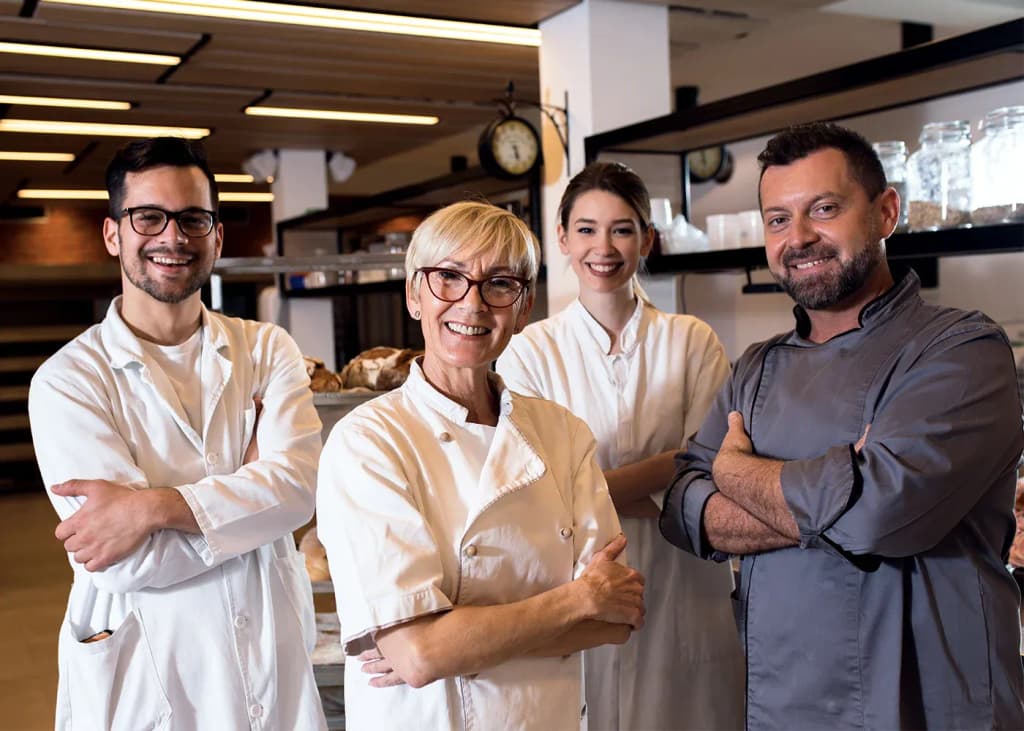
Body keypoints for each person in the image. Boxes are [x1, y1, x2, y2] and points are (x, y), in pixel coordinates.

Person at [660, 122, 1024, 729]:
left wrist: (736, 470)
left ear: (886, 212)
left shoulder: (962, 348)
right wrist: (832, 488)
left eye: (823, 209)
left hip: (932, 701)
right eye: (778, 219)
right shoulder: (756, 366)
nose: (798, 237)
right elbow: (680, 506)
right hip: (783, 702)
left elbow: (879, 515)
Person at [28, 137, 326, 730]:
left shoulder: (265, 348)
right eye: (148, 217)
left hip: (275, 663)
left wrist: (154, 507)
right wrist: (249, 492)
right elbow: (122, 564)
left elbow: (299, 489)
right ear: (113, 233)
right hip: (150, 680)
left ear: (216, 234)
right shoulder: (67, 380)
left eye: (193, 218)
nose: (173, 237)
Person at [316, 201, 646, 730]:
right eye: (448, 277)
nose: (471, 305)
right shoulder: (368, 442)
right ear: (413, 295)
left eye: (498, 284)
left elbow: (615, 620)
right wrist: (579, 598)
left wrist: (456, 639)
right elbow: (421, 656)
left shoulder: (562, 433)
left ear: (523, 306)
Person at [497, 161, 744, 730]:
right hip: (575, 586)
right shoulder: (530, 351)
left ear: (646, 239)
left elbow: (709, 470)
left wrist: (586, 487)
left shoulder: (690, 340)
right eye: (585, 229)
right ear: (560, 239)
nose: (602, 247)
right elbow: (534, 491)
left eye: (622, 229)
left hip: (685, 582)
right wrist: (667, 470)